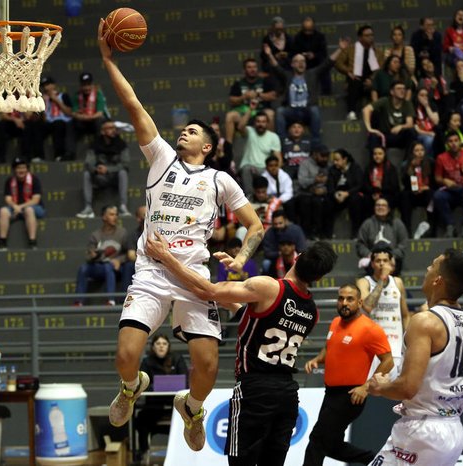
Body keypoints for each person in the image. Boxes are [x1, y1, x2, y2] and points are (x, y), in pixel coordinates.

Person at [97, 22, 265, 452]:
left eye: (194, 131)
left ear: (208, 146)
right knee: (125, 356)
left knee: (207, 365)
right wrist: (108, 60)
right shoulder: (161, 159)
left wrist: (243, 257)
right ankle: (132, 387)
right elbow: (133, 104)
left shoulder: (220, 180)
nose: (184, 132)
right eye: (184, 129)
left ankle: (191, 406)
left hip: (192, 275)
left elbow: (256, 226)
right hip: (152, 272)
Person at [146, 237, 338, 466]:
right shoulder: (312, 311)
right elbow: (258, 324)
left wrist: (166, 257)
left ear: (297, 256)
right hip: (287, 394)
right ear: (319, 277)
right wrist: (235, 295)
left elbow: (207, 291)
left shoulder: (268, 287)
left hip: (254, 389)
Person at [368, 249, 463, 465]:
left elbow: (408, 387)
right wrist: (447, 399)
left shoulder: (424, 322)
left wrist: (379, 387)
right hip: (453, 430)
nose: (427, 269)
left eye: (432, 265)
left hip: (422, 431)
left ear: (437, 280)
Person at [302, 284, 393, 466]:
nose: (344, 303)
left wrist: (366, 387)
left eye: (350, 299)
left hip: (351, 395)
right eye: (341, 298)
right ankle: (376, 461)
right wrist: (317, 359)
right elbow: (330, 346)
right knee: (331, 445)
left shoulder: (370, 329)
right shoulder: (335, 322)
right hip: (331, 394)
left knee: (317, 441)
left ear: (359, 302)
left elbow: (388, 361)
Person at [265, 37, 347, 145]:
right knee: (280, 111)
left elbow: (328, 63)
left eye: (303, 61)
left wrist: (340, 49)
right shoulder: (287, 75)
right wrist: (269, 54)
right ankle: (282, 142)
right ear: (292, 64)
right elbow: (276, 67)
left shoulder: (312, 74)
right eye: (297, 61)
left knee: (315, 110)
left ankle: (315, 143)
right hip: (291, 110)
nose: (301, 63)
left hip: (307, 110)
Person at [358, 247, 410, 376]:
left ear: (390, 263)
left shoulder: (397, 282)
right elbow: (368, 306)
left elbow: (405, 315)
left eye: (385, 260)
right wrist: (382, 278)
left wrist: (408, 343)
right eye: (378, 260)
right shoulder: (364, 282)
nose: (382, 263)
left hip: (396, 348)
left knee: (393, 391)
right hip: (372, 348)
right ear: (372, 263)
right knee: (370, 390)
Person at [135, 334, 189, 458]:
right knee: (140, 418)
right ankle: (143, 451)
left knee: (189, 417)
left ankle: (185, 453)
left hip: (175, 407)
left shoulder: (177, 359)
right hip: (154, 407)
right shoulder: (146, 362)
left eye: (164, 344)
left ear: (168, 346)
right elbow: (141, 384)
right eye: (158, 344)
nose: (161, 347)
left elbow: (186, 382)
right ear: (153, 347)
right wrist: (156, 387)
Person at [74, 205, 134, 306]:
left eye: (116, 214)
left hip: (117, 267)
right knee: (83, 269)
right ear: (104, 217)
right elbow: (88, 256)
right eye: (111, 214)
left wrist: (119, 260)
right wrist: (93, 256)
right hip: (99, 265)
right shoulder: (95, 235)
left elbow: (128, 253)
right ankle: (79, 301)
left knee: (108, 266)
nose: (115, 217)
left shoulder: (122, 233)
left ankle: (110, 300)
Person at [77, 120, 131, 218]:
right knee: (86, 174)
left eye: (114, 128)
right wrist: (96, 169)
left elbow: (125, 164)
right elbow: (89, 163)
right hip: (100, 177)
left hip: (114, 177)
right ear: (103, 131)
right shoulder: (95, 145)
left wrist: (108, 169)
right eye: (110, 128)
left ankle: (123, 206)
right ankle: (88, 207)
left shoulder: (121, 144)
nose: (113, 130)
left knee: (123, 173)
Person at [434, 130, 463, 237]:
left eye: (456, 140)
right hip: (450, 190)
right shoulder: (441, 158)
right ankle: (450, 225)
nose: (453, 143)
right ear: (447, 144)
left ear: (460, 142)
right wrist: (444, 181)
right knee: (438, 196)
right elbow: (437, 178)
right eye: (450, 141)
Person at [335, 25, 383, 121]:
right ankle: (351, 112)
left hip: (371, 81)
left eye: (372, 35)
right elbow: (338, 63)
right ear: (360, 37)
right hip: (356, 79)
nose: (370, 37)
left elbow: (381, 68)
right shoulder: (350, 49)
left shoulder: (377, 52)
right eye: (367, 35)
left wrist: (372, 80)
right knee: (354, 81)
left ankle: (379, 112)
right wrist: (348, 71)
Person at [0, 158, 45, 251]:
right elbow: (8, 199)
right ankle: (2, 241)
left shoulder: (34, 179)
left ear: (27, 169)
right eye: (18, 168)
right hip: (15, 208)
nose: (21, 170)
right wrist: (15, 206)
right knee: (3, 211)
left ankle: (32, 241)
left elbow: (36, 200)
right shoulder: (9, 181)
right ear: (14, 170)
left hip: (35, 208)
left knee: (29, 210)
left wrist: (20, 207)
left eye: (23, 168)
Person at [224, 58, 277, 142]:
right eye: (249, 67)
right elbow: (231, 100)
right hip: (244, 112)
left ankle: (270, 143)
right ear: (244, 70)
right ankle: (228, 148)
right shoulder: (238, 83)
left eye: (254, 67)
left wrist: (259, 94)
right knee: (230, 116)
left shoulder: (264, 81)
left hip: (260, 111)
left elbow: (273, 96)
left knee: (270, 114)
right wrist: (244, 97)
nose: (252, 69)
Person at [237, 108, 282, 196]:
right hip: (250, 167)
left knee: (274, 171)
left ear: (267, 123)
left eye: (263, 122)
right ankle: (249, 198)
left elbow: (278, 158)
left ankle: (268, 199)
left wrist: (275, 170)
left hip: (266, 169)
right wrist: (250, 109)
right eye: (258, 121)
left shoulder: (273, 137)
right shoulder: (250, 131)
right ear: (254, 123)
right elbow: (240, 126)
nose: (260, 124)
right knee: (246, 169)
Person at [362, 81, 416, 152]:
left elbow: (410, 123)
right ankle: (374, 161)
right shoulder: (385, 101)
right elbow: (366, 110)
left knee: (411, 132)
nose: (402, 91)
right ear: (392, 92)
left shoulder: (407, 104)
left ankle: (408, 160)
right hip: (385, 136)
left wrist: (401, 126)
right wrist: (369, 128)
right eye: (399, 89)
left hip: (399, 136)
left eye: (404, 89)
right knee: (373, 136)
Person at [356, 202, 409, 275]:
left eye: (383, 205)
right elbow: (360, 244)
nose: (380, 207)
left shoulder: (397, 223)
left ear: (389, 209)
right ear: (374, 208)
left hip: (393, 258)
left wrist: (390, 256)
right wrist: (369, 254)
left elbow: (403, 244)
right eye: (378, 205)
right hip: (373, 258)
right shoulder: (367, 223)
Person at [297, 144, 333, 239]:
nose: (325, 159)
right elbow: (301, 182)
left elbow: (332, 181)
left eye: (326, 156)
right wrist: (314, 180)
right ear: (315, 154)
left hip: (323, 192)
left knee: (328, 202)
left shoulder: (328, 165)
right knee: (307, 202)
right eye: (322, 156)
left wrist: (324, 190)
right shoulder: (305, 164)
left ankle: (325, 233)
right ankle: (308, 233)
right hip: (307, 192)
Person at [401, 142, 434, 238]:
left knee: (432, 195)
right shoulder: (406, 165)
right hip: (413, 193)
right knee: (404, 196)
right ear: (412, 153)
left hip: (426, 193)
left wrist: (427, 187)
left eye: (422, 150)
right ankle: (406, 231)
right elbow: (405, 184)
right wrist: (411, 168)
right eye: (417, 150)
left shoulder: (431, 162)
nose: (420, 153)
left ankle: (430, 227)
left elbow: (434, 181)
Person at [328, 148, 364, 236]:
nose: (335, 162)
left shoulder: (355, 167)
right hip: (338, 196)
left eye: (337, 160)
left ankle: (356, 232)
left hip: (351, 194)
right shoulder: (332, 169)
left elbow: (359, 185)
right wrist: (335, 194)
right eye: (334, 160)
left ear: (345, 159)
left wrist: (347, 193)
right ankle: (327, 233)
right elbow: (330, 186)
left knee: (356, 200)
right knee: (327, 202)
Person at [37, 76, 73, 161]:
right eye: (44, 86)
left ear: (54, 85)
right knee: (37, 127)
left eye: (48, 85)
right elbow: (45, 119)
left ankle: (59, 155)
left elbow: (69, 112)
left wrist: (56, 100)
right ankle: (39, 156)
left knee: (58, 125)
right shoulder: (43, 99)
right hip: (49, 122)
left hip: (62, 121)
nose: (46, 88)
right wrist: (44, 105)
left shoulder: (63, 96)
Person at [261, 210, 306, 276]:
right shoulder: (269, 233)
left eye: (280, 223)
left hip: (294, 257)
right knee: (266, 263)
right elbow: (267, 253)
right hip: (276, 259)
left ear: (286, 221)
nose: (278, 226)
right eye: (275, 224)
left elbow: (302, 249)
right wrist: (281, 253)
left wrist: (291, 254)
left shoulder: (296, 230)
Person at [292, 16, 330, 94]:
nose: (308, 33)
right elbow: (294, 52)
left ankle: (326, 93)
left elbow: (323, 53)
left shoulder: (320, 37)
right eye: (306, 30)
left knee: (325, 67)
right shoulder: (298, 37)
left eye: (310, 30)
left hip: (317, 61)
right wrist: (302, 55)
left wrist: (314, 55)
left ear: (313, 27)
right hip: (303, 62)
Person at [360, 146, 400, 219]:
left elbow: (394, 186)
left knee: (386, 200)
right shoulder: (369, 167)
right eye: (375, 154)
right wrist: (373, 192)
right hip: (372, 194)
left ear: (384, 155)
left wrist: (381, 189)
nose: (377, 156)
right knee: (364, 201)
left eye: (380, 154)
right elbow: (364, 185)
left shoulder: (390, 168)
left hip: (387, 194)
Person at [71, 72, 108, 142]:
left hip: (94, 120)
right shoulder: (77, 95)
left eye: (89, 84)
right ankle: (71, 151)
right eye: (84, 85)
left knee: (100, 121)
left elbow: (100, 113)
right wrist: (82, 117)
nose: (87, 87)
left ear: (92, 84)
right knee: (71, 123)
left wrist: (88, 117)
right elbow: (73, 113)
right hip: (82, 122)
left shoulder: (98, 94)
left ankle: (98, 147)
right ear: (81, 85)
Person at [413, 87, 440, 157]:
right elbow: (416, 129)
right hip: (420, 134)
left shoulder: (432, 105)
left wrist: (427, 107)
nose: (424, 97)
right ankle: (426, 159)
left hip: (432, 132)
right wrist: (429, 133)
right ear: (417, 96)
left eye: (426, 95)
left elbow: (436, 121)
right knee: (429, 140)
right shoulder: (413, 107)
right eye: (422, 95)